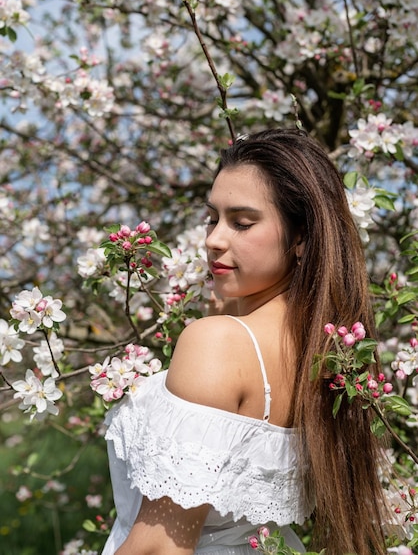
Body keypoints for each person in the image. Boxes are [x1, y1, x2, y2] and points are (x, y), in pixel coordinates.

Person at [102, 128, 387, 555]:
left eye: (242, 222)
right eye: (212, 218)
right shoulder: (328, 354)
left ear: (301, 238)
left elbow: (158, 548)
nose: (214, 239)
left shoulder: (217, 343)